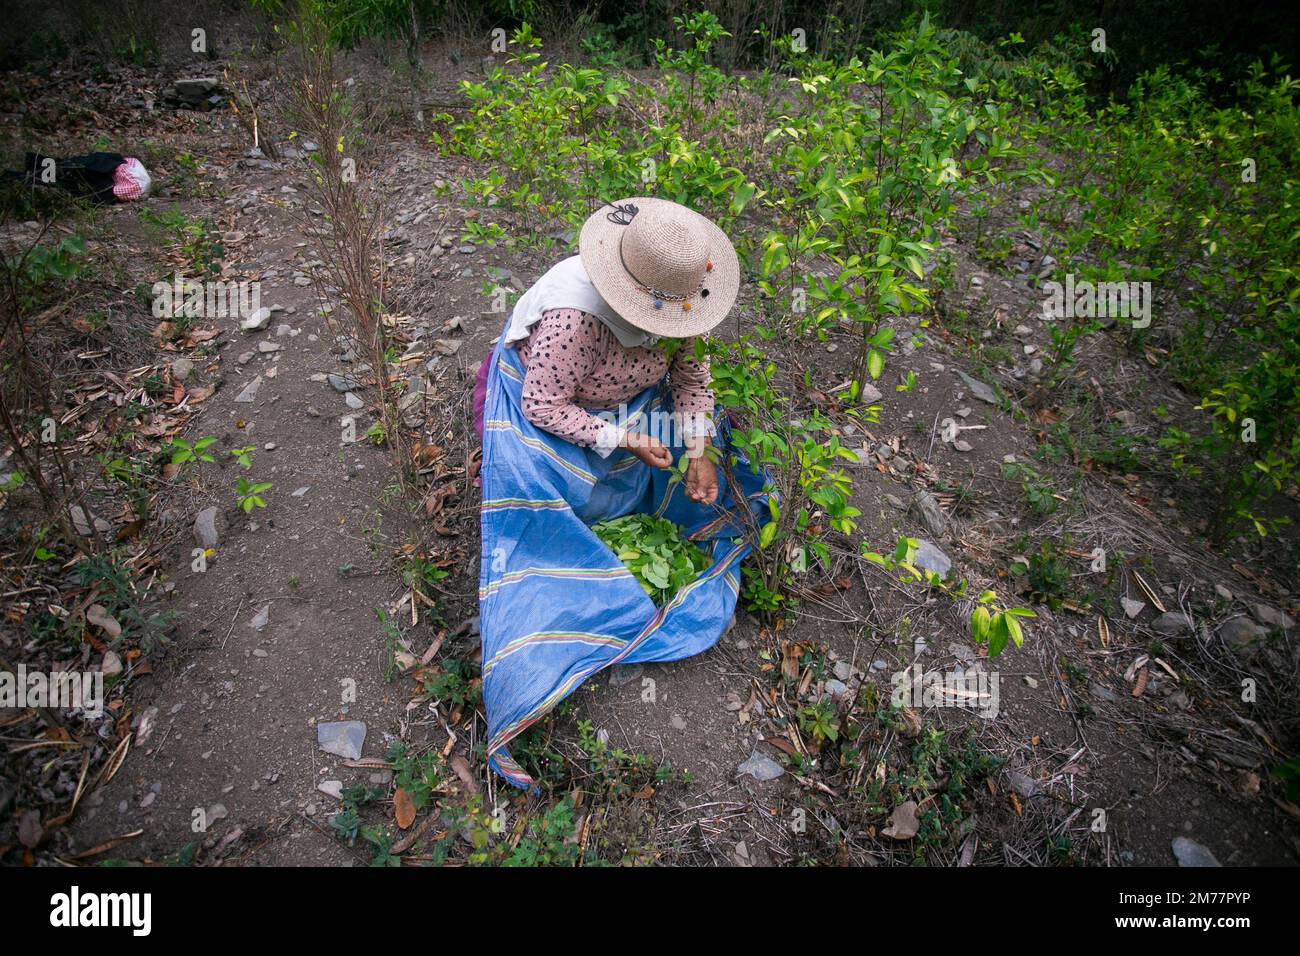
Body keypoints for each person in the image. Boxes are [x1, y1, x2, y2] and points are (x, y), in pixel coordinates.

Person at [473, 196, 740, 504]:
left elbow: (691, 381)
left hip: (629, 397)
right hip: (554, 399)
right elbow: (543, 405)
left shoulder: (686, 303)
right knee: (530, 486)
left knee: (713, 448)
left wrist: (699, 453)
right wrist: (623, 440)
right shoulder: (574, 323)